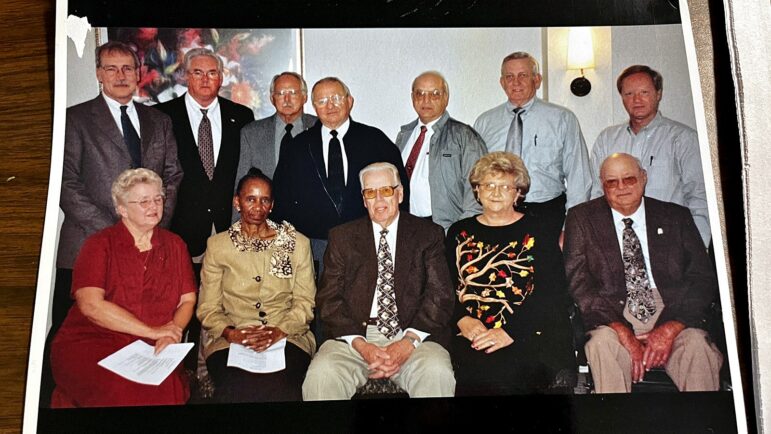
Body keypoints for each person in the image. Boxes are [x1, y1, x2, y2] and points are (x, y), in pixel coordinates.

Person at [54, 40, 183, 337]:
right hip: (88, 243)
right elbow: (66, 182)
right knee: (74, 334)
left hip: (147, 249)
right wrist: (117, 231)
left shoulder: (159, 121)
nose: (120, 75)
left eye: (127, 68)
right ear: (99, 74)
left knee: (139, 331)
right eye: (111, 69)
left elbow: (173, 175)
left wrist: (151, 226)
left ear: (138, 73)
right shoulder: (74, 119)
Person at [564, 153, 722, 393]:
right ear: (602, 184)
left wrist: (671, 328)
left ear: (643, 178)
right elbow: (578, 283)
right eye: (611, 182)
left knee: (697, 346)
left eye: (629, 179)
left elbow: (702, 278)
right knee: (601, 345)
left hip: (672, 308)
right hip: (610, 313)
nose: (621, 188)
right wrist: (620, 329)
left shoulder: (675, 216)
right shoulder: (581, 218)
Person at [302, 162, 455, 400]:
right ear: (363, 200)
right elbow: (329, 298)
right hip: (354, 338)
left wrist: (408, 342)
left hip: (413, 335)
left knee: (436, 373)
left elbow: (440, 296)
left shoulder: (428, 234)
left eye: (386, 190)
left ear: (400, 194)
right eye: (370, 193)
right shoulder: (342, 237)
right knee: (322, 375)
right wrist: (362, 346)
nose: (379, 200)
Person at [50, 168, 197, 407]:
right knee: (121, 390)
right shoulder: (98, 244)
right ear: (122, 209)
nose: (154, 206)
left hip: (154, 345)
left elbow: (187, 300)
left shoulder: (175, 245)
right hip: (94, 341)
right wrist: (153, 331)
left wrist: (173, 332)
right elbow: (90, 306)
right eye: (143, 201)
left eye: (158, 199)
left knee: (167, 389)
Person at [445, 152, 575, 395]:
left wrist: (508, 332)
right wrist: (462, 319)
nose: (495, 193)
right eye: (489, 185)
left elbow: (551, 292)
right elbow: (444, 288)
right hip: (472, 332)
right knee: (471, 370)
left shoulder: (539, 231)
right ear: (477, 190)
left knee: (508, 371)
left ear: (518, 193)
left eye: (505, 186)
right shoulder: (458, 232)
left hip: (527, 333)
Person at [197, 168, 316, 403]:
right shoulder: (218, 246)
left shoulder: (296, 243)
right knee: (235, 385)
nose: (258, 207)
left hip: (288, 335)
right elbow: (208, 308)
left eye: (265, 200)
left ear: (272, 205)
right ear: (237, 202)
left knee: (281, 384)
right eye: (250, 199)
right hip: (231, 337)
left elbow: (305, 303)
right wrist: (231, 333)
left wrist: (280, 330)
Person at [272, 77, 408, 271]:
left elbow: (401, 195)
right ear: (314, 106)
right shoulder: (297, 147)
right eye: (322, 101)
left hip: (368, 243)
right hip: (314, 248)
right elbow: (281, 204)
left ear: (349, 101)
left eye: (336, 98)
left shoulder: (376, 141)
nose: (330, 106)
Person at [473, 51, 592, 239]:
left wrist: (570, 226)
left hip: (546, 214)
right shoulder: (485, 123)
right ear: (502, 82)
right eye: (509, 77)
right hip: (497, 214)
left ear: (537, 80)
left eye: (523, 75)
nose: (516, 82)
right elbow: (477, 177)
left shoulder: (562, 119)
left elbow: (580, 176)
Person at [590, 65, 711, 247]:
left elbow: (699, 195)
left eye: (644, 92)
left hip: (669, 239)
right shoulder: (607, 139)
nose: (636, 99)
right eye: (629, 94)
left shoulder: (683, 138)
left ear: (658, 94)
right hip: (617, 239)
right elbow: (597, 194)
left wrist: (696, 246)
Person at [155, 48, 254, 267]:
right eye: (197, 73)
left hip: (230, 230)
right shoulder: (162, 116)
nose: (205, 79)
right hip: (181, 232)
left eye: (212, 73)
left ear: (221, 77)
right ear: (185, 76)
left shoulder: (242, 116)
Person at [395, 71, 487, 230]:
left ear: (446, 97)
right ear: (412, 98)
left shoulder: (464, 136)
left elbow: (478, 192)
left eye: (435, 94)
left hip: (445, 228)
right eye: (420, 93)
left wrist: (459, 231)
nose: (426, 100)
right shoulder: (404, 136)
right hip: (407, 227)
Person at [236, 71, 317, 183]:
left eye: (293, 93)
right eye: (280, 93)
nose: (287, 99)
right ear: (272, 98)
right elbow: (241, 184)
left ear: (304, 97)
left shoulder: (319, 127)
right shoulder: (251, 133)